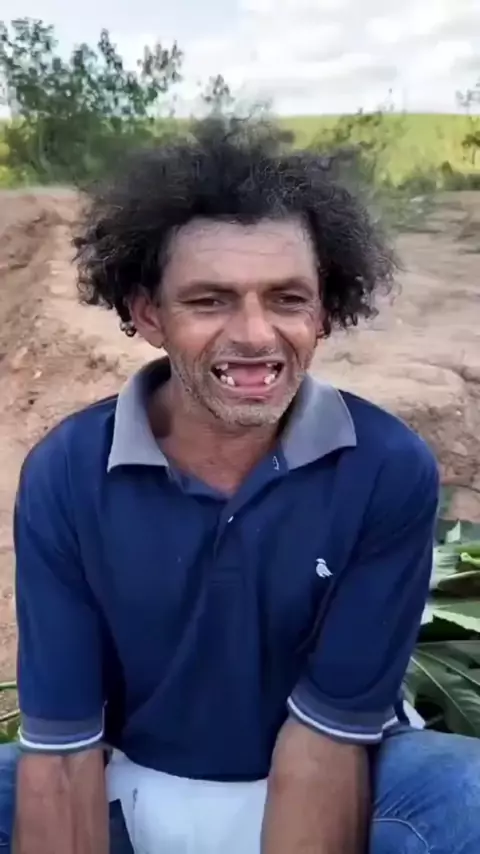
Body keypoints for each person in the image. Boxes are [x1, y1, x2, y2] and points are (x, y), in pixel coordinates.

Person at [6, 120, 480, 854]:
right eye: (210, 301)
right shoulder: (66, 473)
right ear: (148, 314)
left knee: (465, 794)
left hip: (343, 787)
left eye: (287, 299)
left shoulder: (387, 469)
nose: (256, 336)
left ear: (325, 311)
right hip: (128, 784)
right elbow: (64, 755)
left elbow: (326, 742)